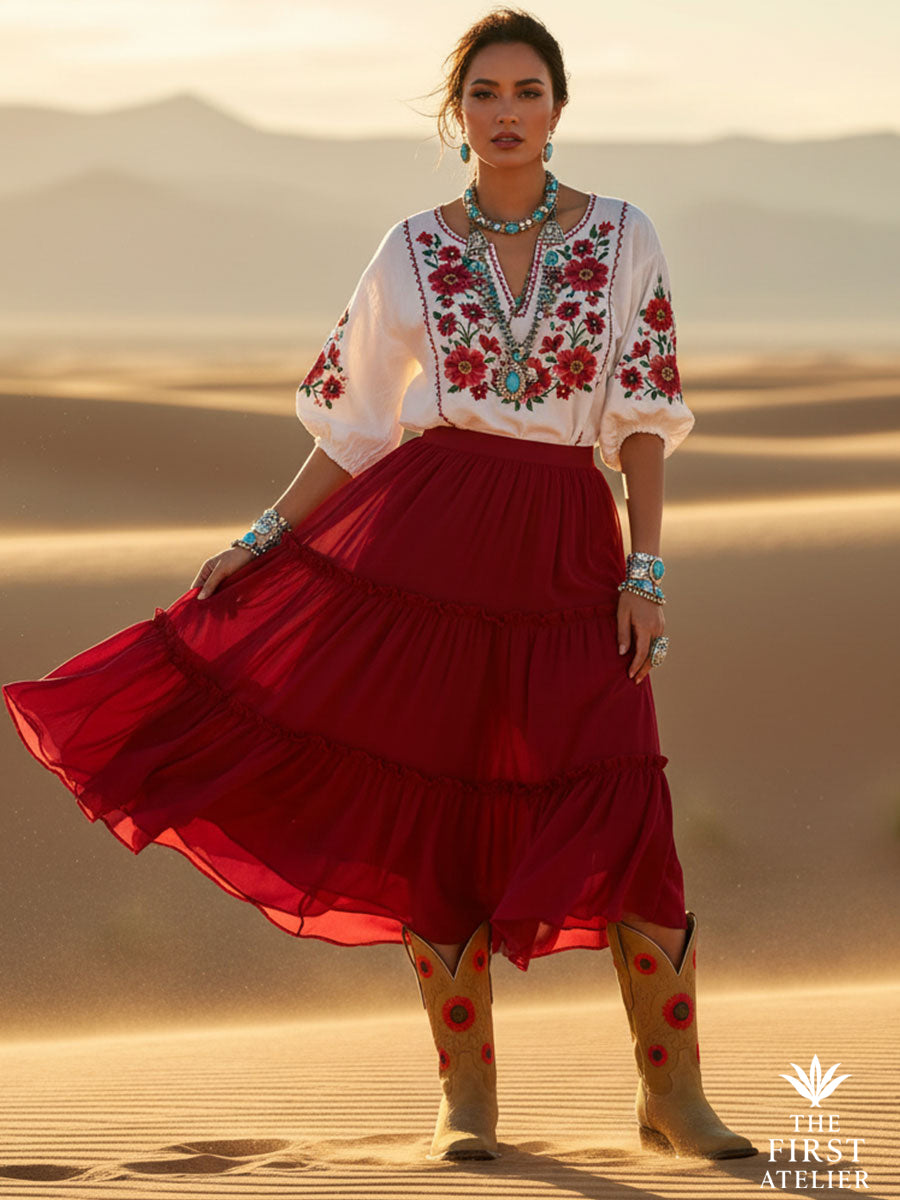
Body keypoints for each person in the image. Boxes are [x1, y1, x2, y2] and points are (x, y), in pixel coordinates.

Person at [2, 5, 757, 1168]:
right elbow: (353, 428)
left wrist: (646, 573)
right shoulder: (410, 245)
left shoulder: (625, 235)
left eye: (528, 92)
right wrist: (260, 538)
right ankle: (467, 1106)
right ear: (456, 115)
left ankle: (676, 1098)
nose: (507, 115)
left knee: (623, 802)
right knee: (440, 804)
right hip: (427, 541)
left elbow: (644, 419)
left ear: (561, 107)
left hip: (568, 543)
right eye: (485, 95)